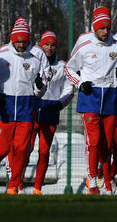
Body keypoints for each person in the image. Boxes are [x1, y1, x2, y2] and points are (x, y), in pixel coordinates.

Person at [64, 6, 117, 195]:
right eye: (101, 28)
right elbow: (69, 68)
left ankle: (107, 179)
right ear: (95, 27)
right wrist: (80, 83)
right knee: (93, 142)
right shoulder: (83, 42)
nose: (105, 31)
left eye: (107, 28)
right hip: (90, 98)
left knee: (107, 144)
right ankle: (93, 183)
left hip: (111, 98)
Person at [0, 17, 49, 194]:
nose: (21, 44)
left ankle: (13, 185)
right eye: (18, 40)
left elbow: (40, 89)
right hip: (5, 107)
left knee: (21, 149)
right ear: (13, 39)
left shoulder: (35, 60)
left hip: (26, 108)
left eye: (24, 41)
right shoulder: (0, 56)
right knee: (3, 148)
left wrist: (40, 87)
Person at [30, 30, 75, 195]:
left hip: (51, 110)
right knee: (25, 148)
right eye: (46, 44)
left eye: (52, 44)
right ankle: (17, 183)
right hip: (33, 108)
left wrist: (60, 103)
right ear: (41, 45)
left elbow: (69, 89)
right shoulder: (32, 62)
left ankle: (37, 188)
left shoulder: (63, 66)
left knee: (44, 151)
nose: (49, 48)